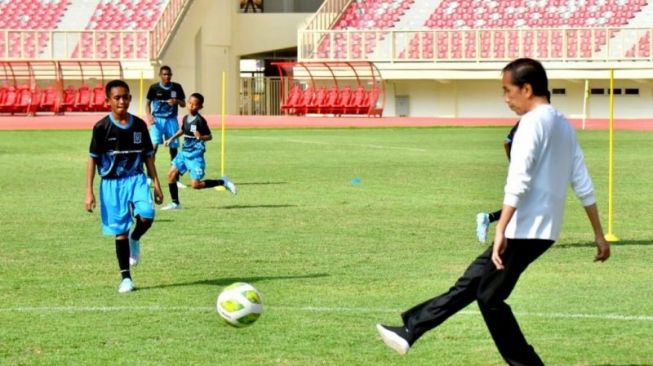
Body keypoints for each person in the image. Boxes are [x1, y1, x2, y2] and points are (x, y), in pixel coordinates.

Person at [376, 58, 611, 365]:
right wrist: (598, 233)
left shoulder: (532, 123)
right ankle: (411, 329)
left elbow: (519, 179)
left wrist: (501, 229)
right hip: (542, 230)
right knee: (472, 284)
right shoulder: (563, 126)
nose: (505, 98)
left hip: (524, 229)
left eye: (507, 90)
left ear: (526, 89)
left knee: (489, 298)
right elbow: (582, 182)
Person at [85, 79, 164, 294]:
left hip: (136, 178)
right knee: (120, 231)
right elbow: (93, 158)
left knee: (147, 214)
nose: (122, 101)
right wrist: (89, 192)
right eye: (117, 97)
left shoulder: (139, 125)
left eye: (126, 97)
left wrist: (157, 184)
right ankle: (126, 278)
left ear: (130, 98)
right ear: (108, 100)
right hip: (112, 184)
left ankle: (135, 238)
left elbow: (148, 157)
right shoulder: (101, 127)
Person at [160, 92, 237, 210]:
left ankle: (222, 182)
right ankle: (176, 204)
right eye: (190, 103)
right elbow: (182, 130)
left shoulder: (200, 121)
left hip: (195, 156)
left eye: (195, 105)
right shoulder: (186, 118)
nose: (191, 106)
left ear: (200, 107)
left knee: (195, 185)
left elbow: (210, 136)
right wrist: (171, 139)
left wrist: (200, 137)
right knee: (170, 175)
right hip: (184, 153)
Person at [146, 65, 187, 188]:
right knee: (153, 149)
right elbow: (147, 104)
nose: (167, 76)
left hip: (171, 120)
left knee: (173, 150)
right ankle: (149, 177)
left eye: (169, 74)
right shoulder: (154, 88)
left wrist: (177, 102)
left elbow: (184, 104)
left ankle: (175, 178)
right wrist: (149, 116)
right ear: (160, 75)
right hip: (157, 120)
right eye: (164, 74)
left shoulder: (177, 87)